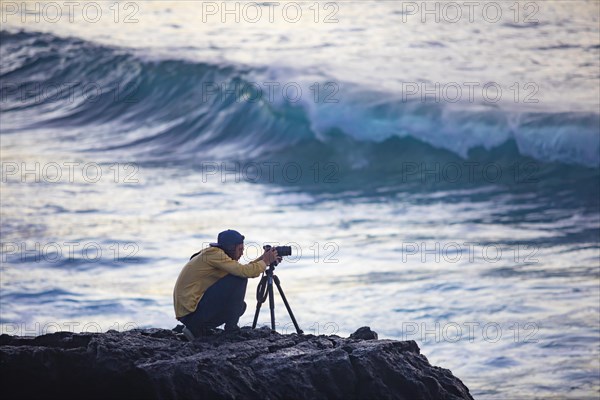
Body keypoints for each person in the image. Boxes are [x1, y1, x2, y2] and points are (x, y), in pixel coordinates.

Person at [173, 229, 278, 340]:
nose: (242, 253)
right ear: (230, 248)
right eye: (240, 249)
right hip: (191, 314)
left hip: (191, 313)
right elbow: (244, 272)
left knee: (239, 307)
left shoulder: (216, 255)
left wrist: (264, 259)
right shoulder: (215, 254)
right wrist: (265, 262)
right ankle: (229, 330)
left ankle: (199, 329)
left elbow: (243, 269)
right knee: (240, 279)